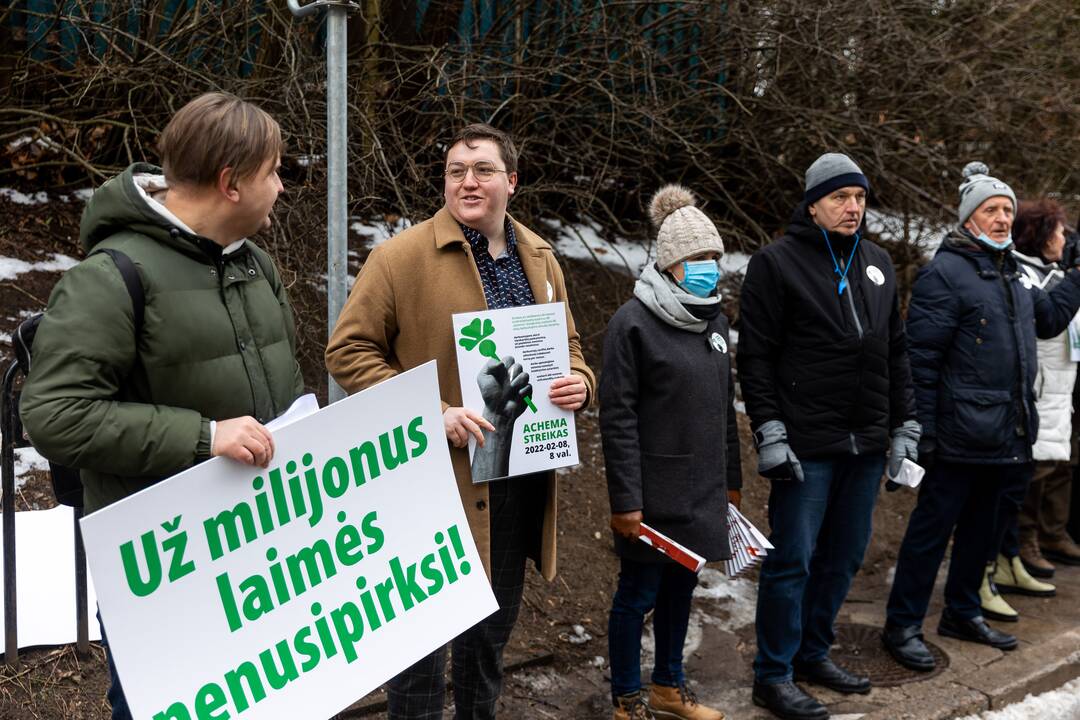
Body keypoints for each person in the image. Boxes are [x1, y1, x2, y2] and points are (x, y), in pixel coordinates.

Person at [19, 92, 304, 719]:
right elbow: (55, 416)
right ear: (231, 183)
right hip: (163, 569)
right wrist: (205, 437)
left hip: (261, 557)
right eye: (273, 172)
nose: (281, 188)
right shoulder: (108, 277)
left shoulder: (255, 264)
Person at [325, 123, 595, 719]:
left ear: (512, 181)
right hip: (430, 480)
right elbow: (347, 352)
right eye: (456, 172)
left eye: (483, 170)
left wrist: (581, 381)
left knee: (488, 641)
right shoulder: (400, 258)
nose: (468, 182)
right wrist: (433, 411)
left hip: (515, 476)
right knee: (420, 650)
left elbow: (569, 347)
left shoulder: (542, 259)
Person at [739, 153, 919, 720]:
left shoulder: (879, 263)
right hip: (805, 445)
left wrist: (905, 425)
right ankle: (773, 675)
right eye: (841, 197)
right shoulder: (776, 263)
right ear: (813, 203)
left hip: (864, 445)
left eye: (860, 198)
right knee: (792, 559)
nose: (853, 207)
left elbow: (895, 351)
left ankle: (814, 653)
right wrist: (768, 429)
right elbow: (756, 357)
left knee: (843, 558)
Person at [882, 163, 1080, 673]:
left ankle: (962, 611)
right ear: (969, 218)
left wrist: (1076, 276)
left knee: (982, 534)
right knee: (931, 533)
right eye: (990, 210)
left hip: (1008, 431)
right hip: (955, 435)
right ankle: (902, 626)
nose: (1001, 218)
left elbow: (1050, 320)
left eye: (1007, 211)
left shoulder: (1012, 272)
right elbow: (920, 361)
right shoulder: (944, 274)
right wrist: (920, 431)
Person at [599, 185, 740, 720]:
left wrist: (732, 482)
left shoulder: (716, 322)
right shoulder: (632, 324)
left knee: (682, 590)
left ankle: (668, 687)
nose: (708, 268)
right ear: (669, 263)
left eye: (713, 258)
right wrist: (626, 501)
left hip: (702, 493)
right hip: (653, 497)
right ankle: (627, 698)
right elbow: (618, 418)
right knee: (637, 597)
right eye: (695, 259)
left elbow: (725, 409)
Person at [978, 200, 1077, 621]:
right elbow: (1049, 321)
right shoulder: (1022, 275)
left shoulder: (1049, 274)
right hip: (1030, 399)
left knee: (1031, 480)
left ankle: (1010, 556)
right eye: (1057, 231)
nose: (1064, 239)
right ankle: (994, 564)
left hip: (1056, 393)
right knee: (1012, 489)